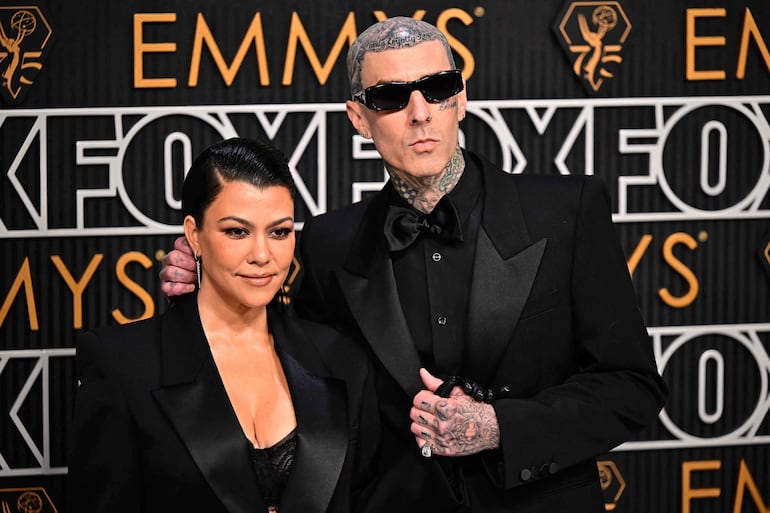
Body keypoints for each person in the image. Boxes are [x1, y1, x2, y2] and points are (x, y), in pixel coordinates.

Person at [160, 18, 667, 513]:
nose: (420, 113)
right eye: (391, 97)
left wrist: (499, 427)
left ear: (461, 98)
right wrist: (212, 289)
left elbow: (632, 384)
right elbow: (298, 379)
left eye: (437, 87)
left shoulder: (566, 211)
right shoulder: (329, 244)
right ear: (359, 118)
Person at [69, 137, 379, 513]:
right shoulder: (122, 365)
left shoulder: (342, 359)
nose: (262, 255)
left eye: (279, 231)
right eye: (237, 231)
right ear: (194, 234)